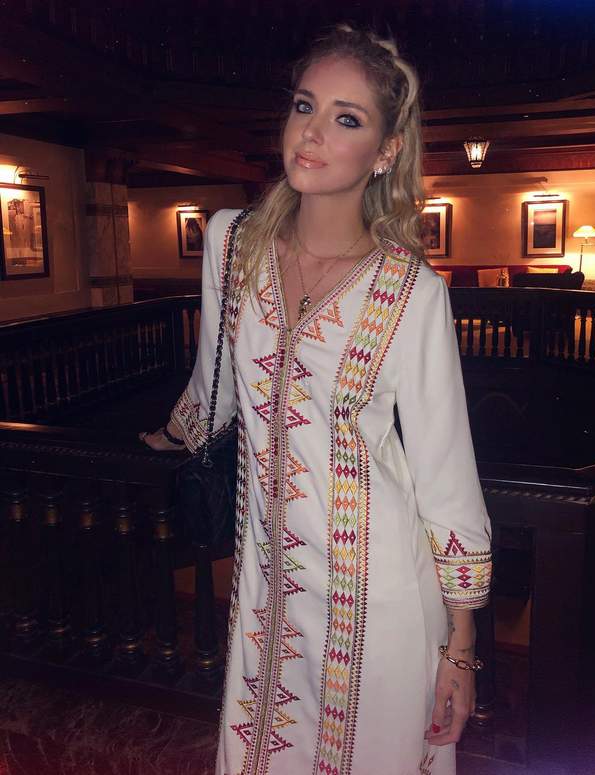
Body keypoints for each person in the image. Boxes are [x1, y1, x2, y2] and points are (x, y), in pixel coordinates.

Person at [142, 24, 491, 775]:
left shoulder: (411, 290)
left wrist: (460, 647)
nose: (312, 131)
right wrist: (175, 433)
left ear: (385, 151)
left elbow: (445, 472)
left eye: (346, 118)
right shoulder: (231, 244)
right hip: (266, 585)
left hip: (381, 595)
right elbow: (214, 384)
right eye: (305, 105)